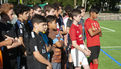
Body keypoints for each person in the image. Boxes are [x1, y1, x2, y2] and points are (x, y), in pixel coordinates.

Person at [0, 3, 21, 69]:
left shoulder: (11, 26)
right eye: (11, 14)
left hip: (15, 58)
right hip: (5, 59)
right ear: (4, 15)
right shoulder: (0, 27)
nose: (13, 16)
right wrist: (12, 41)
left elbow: (19, 41)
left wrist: (13, 41)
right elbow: (7, 46)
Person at [14, 4, 31, 69]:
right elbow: (20, 41)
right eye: (26, 13)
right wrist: (25, 52)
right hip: (21, 54)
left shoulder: (24, 24)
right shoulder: (19, 25)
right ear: (20, 14)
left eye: (28, 13)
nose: (28, 15)